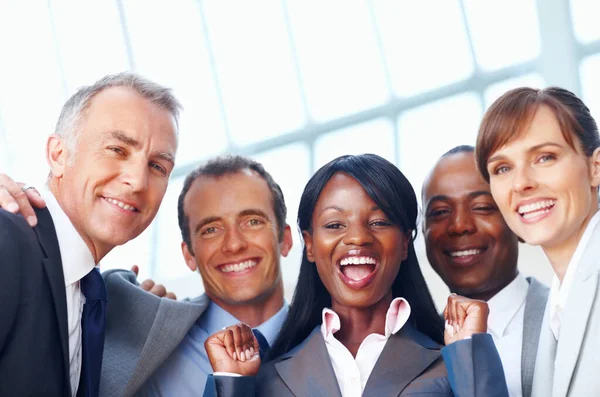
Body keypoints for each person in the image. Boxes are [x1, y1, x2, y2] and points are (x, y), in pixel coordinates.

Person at [203, 154, 508, 397]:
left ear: (404, 242)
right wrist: (231, 383)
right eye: (335, 225)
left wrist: (469, 352)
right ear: (309, 245)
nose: (358, 238)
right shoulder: (269, 378)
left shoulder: (451, 363)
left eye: (378, 222)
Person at [0, 155, 294, 397]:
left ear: (285, 239)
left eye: (252, 221)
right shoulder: (139, 334)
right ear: (188, 254)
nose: (234, 244)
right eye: (210, 229)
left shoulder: (332, 338)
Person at [0, 72, 181, 397]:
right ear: (58, 155)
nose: (138, 181)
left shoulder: (91, 295)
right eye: (117, 149)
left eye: (157, 167)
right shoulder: (8, 240)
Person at [475, 86, 600, 397]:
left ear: (595, 168)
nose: (521, 183)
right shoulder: (557, 304)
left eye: (545, 157)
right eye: (502, 168)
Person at [422, 145, 549, 397]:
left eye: (481, 207)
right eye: (440, 212)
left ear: (517, 219)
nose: (459, 226)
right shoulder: (416, 345)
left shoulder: (566, 316)